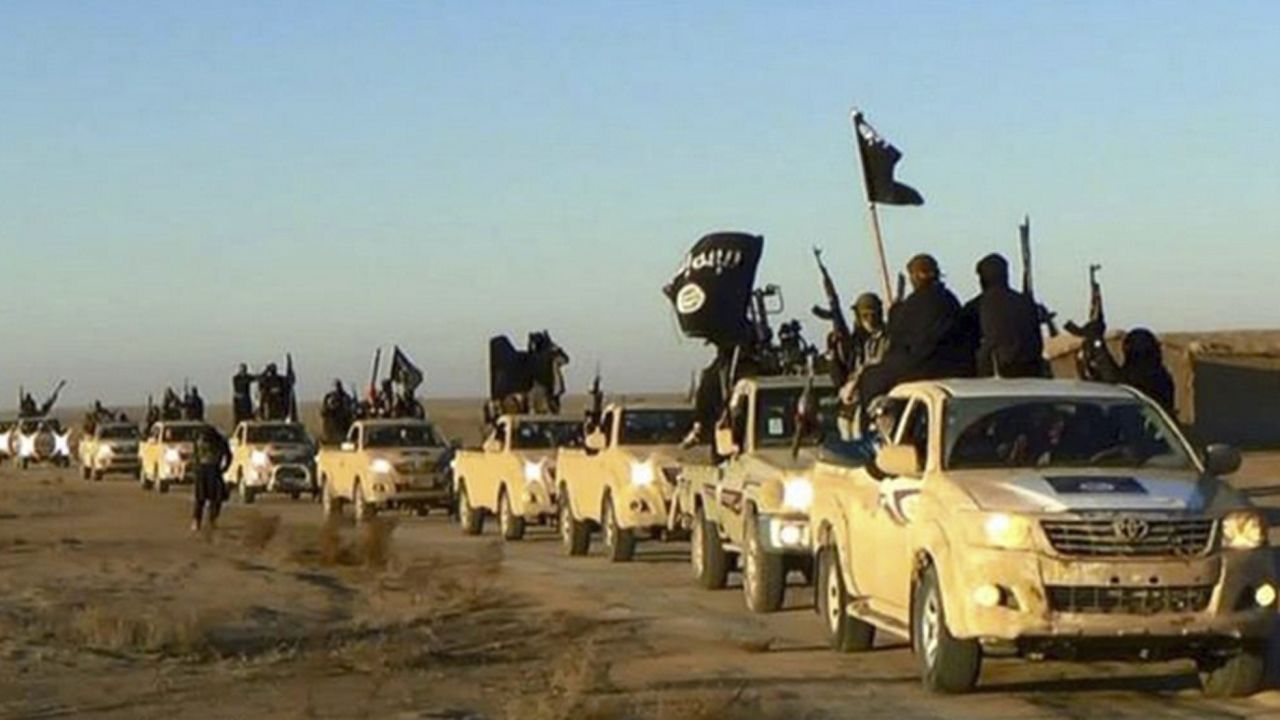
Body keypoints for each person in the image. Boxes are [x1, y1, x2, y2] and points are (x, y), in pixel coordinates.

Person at [856, 254, 974, 410]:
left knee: (870, 378)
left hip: (921, 367)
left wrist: (894, 312)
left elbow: (898, 342)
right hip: (957, 367)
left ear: (916, 276)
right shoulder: (951, 301)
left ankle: (879, 422)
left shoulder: (909, 307)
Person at [965, 253, 1046, 378]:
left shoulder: (977, 306)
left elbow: (967, 341)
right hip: (1031, 371)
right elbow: (1037, 341)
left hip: (994, 373)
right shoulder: (1026, 303)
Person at [191, 426, 231, 533]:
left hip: (211, 470)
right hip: (207, 470)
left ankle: (209, 519)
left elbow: (228, 456)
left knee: (214, 498)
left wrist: (224, 467)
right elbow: (195, 456)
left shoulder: (220, 441)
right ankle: (199, 520)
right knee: (202, 498)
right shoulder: (200, 441)